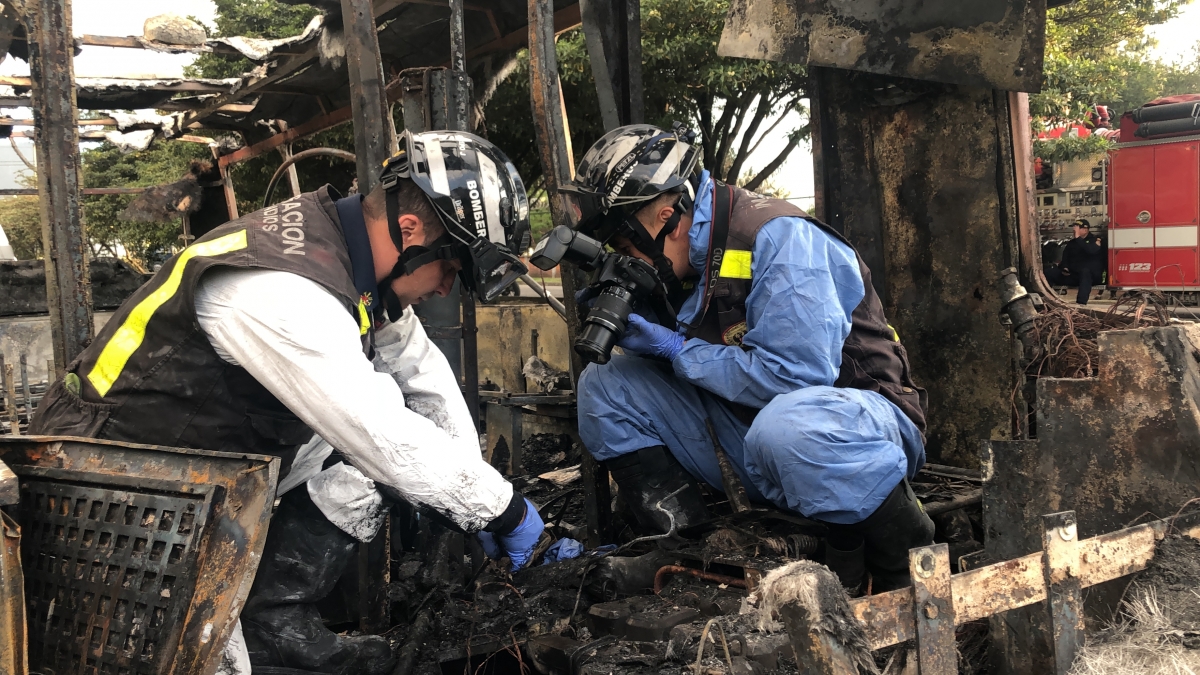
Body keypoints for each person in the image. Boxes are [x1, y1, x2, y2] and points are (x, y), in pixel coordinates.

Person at [30, 130, 545, 675]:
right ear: (410, 229)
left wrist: (471, 494)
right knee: (202, 659)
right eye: (452, 269)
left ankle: (273, 626)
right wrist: (508, 513)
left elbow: (422, 373)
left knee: (376, 464)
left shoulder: (352, 260)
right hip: (111, 488)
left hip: (202, 464)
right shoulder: (283, 288)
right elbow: (382, 433)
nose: (446, 289)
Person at [563, 124, 934, 593]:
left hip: (854, 431)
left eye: (625, 246)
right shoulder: (687, 261)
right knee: (606, 386)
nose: (627, 259)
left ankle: (907, 563)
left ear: (665, 216)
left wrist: (677, 349)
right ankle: (690, 555)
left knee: (789, 427)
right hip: (759, 436)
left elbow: (793, 380)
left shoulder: (779, 237)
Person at [1045, 219, 1104, 305]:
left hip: (1089, 277)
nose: (1074, 231)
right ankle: (1047, 299)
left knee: (1085, 272)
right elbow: (1065, 257)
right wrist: (1064, 268)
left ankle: (1081, 303)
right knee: (1048, 272)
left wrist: (1078, 239)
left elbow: (1091, 251)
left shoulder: (1094, 240)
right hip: (1073, 275)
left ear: (1085, 230)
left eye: (1077, 229)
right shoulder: (1072, 243)